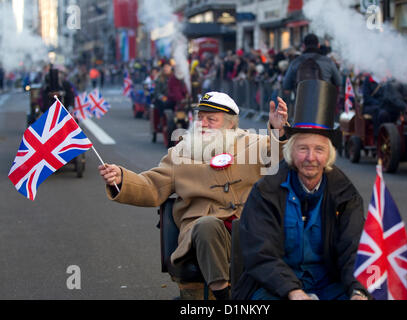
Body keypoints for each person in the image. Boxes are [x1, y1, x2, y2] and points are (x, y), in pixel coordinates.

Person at [98, 91, 289, 300]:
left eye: (211, 119)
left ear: (230, 124)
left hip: (249, 225)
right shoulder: (180, 153)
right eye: (200, 118)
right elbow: (152, 186)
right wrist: (121, 178)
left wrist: (279, 132)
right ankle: (224, 295)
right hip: (202, 231)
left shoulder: (255, 143)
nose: (202, 123)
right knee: (207, 225)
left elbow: (281, 160)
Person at [233, 80, 370, 300]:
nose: (310, 158)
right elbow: (261, 253)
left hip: (330, 285)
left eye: (318, 149)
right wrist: (293, 292)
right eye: (303, 148)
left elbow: (353, 248)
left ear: (329, 155)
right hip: (275, 286)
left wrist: (358, 290)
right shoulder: (266, 191)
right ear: (290, 151)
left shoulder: (346, 194)